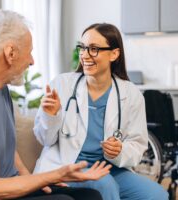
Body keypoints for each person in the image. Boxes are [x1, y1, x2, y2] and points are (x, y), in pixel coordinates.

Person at [0, 10, 112, 200]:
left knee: (89, 196)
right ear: (10, 53)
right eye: (29, 52)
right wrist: (52, 175)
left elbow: (8, 151)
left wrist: (34, 181)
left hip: (6, 190)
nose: (32, 61)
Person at [33, 23, 169, 200]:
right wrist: (50, 116)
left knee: (157, 194)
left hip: (112, 168)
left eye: (94, 49)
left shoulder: (131, 94)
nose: (85, 55)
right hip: (69, 167)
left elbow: (137, 144)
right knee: (104, 184)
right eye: (82, 48)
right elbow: (45, 139)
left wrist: (119, 150)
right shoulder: (61, 85)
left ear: (114, 54)